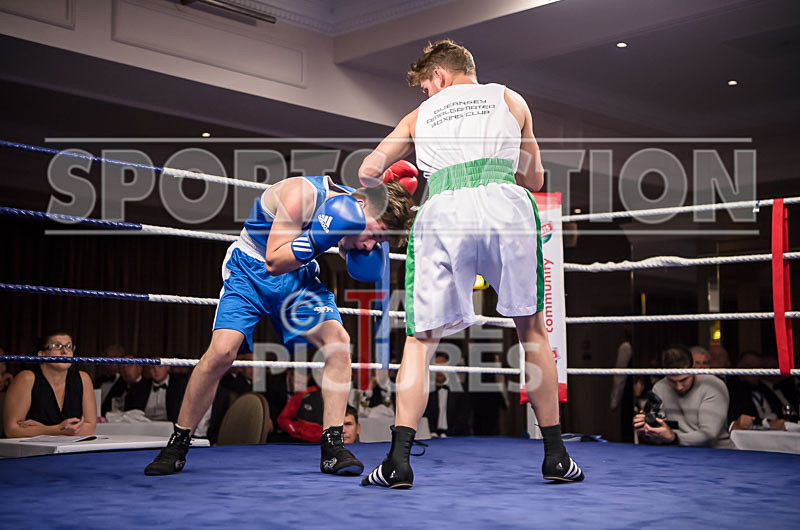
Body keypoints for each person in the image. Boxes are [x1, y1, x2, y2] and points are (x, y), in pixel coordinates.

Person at [358, 40, 583, 488]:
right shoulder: (510, 98)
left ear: (438, 76)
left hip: (443, 210)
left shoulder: (421, 116)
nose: (426, 95)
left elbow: (368, 170)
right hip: (506, 204)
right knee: (532, 329)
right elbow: (535, 179)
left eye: (425, 86)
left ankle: (398, 462)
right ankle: (556, 455)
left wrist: (395, 186)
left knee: (421, 341)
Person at [144, 174, 415, 476]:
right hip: (251, 269)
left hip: (298, 277)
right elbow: (274, 260)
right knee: (222, 352)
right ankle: (178, 443)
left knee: (338, 343)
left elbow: (344, 235)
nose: (369, 247)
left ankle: (332, 447)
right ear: (361, 206)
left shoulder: (354, 209)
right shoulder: (302, 194)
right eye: (375, 236)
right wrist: (319, 237)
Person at [633, 345, 733, 448]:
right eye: (672, 381)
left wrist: (675, 438)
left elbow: (709, 436)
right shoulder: (659, 387)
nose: (679, 387)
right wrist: (647, 427)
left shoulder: (713, 385)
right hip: (677, 454)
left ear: (693, 369)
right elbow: (660, 435)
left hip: (718, 454)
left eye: (684, 380)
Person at [2, 331, 96, 437]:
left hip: (68, 451)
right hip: (30, 452)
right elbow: (11, 430)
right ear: (41, 354)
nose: (65, 351)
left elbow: (89, 427)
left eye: (69, 346)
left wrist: (42, 429)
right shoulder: (27, 378)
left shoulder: (83, 379)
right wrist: (57, 429)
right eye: (57, 346)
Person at [423, 353, 472, 437]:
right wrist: (432, 432)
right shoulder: (427, 390)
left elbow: (464, 416)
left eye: (442, 366)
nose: (439, 371)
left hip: (457, 437)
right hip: (432, 436)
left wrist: (448, 434)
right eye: (435, 367)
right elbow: (425, 415)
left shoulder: (460, 389)